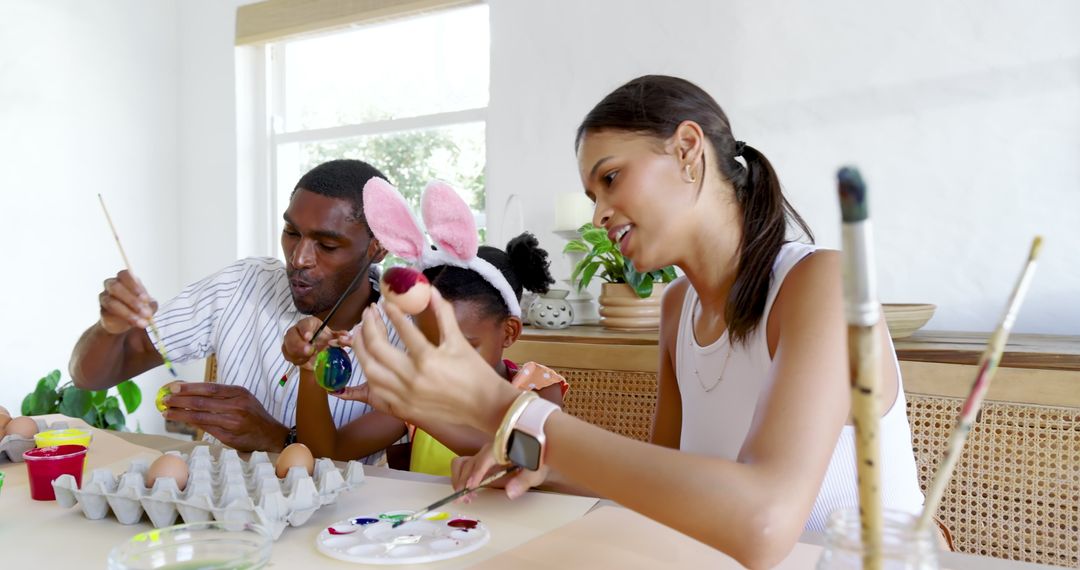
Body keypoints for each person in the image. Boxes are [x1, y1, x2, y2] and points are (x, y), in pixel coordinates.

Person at [345, 75, 925, 567]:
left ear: (687, 150)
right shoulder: (678, 310)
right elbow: (657, 483)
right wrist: (495, 439)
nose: (598, 214)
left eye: (611, 178)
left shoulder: (821, 284)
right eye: (592, 192)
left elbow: (765, 523)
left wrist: (513, 411)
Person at [69, 159, 401, 460]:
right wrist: (109, 329)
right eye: (291, 233)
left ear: (378, 248)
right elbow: (88, 376)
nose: (299, 258)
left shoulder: (408, 335)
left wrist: (273, 436)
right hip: (218, 508)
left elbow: (336, 457)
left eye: (327, 245)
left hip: (338, 522)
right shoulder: (243, 284)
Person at [284, 176, 565, 474]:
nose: (442, 364)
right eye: (427, 346)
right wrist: (310, 370)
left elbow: (530, 459)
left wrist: (419, 412)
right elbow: (328, 451)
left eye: (463, 346)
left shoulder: (536, 387)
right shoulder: (423, 390)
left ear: (509, 332)